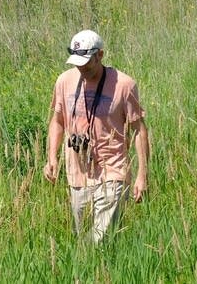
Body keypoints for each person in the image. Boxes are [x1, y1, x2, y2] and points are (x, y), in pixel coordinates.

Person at [43, 29, 149, 243]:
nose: (81, 68)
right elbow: (57, 121)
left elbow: (139, 129)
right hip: (78, 171)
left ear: (100, 55)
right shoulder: (64, 81)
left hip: (113, 169)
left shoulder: (124, 85)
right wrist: (51, 157)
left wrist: (142, 175)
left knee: (98, 240)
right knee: (82, 237)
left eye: (86, 63)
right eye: (77, 63)